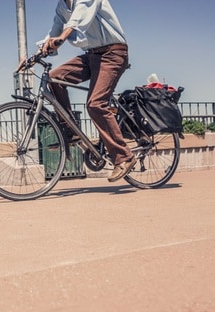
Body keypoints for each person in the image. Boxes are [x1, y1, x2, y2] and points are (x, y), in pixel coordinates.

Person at [41, 0, 136, 182]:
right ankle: (70, 131)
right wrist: (37, 53)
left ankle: (124, 157)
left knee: (95, 104)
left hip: (113, 53)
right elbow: (54, 32)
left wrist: (62, 38)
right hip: (92, 55)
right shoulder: (61, 7)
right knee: (55, 78)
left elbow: (78, 19)